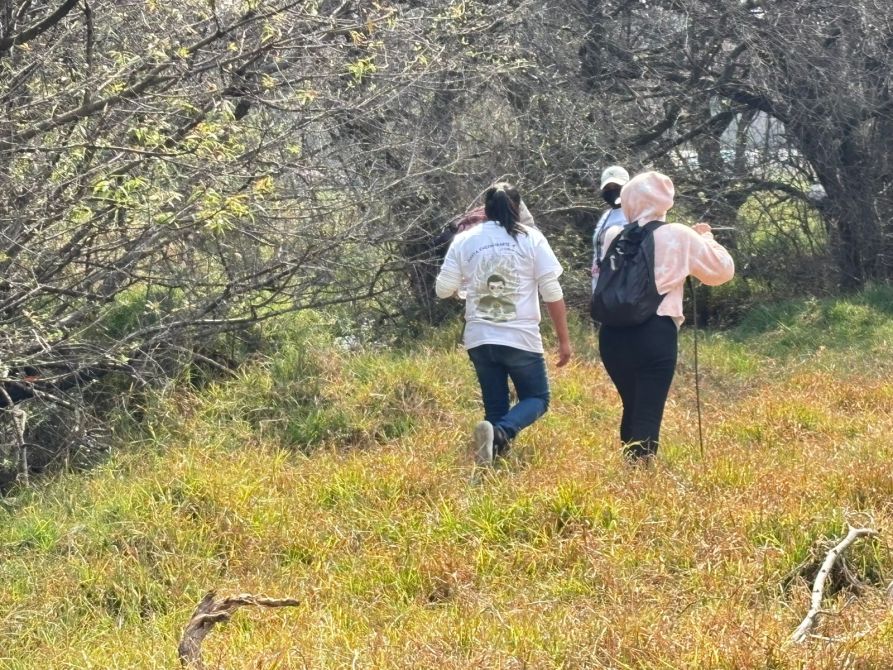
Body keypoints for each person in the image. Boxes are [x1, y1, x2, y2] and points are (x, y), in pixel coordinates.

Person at [597, 171, 734, 462]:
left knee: (632, 405)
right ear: (664, 201)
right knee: (647, 411)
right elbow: (721, 271)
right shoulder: (678, 234)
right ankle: (641, 482)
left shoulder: (612, 236)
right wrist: (706, 238)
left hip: (611, 334)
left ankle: (631, 472)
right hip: (654, 333)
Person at [435, 182, 572, 466]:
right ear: (518, 208)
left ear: (485, 210)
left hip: (480, 338)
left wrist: (465, 286)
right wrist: (563, 340)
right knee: (537, 398)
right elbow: (552, 291)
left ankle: (493, 461)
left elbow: (442, 289)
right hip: (520, 337)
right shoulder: (531, 238)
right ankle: (501, 434)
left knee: (495, 405)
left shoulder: (466, 239)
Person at [591, 165, 630, 291]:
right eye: (608, 188)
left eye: (617, 187)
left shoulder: (635, 213)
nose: (612, 191)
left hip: (623, 287)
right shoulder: (606, 215)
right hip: (600, 285)